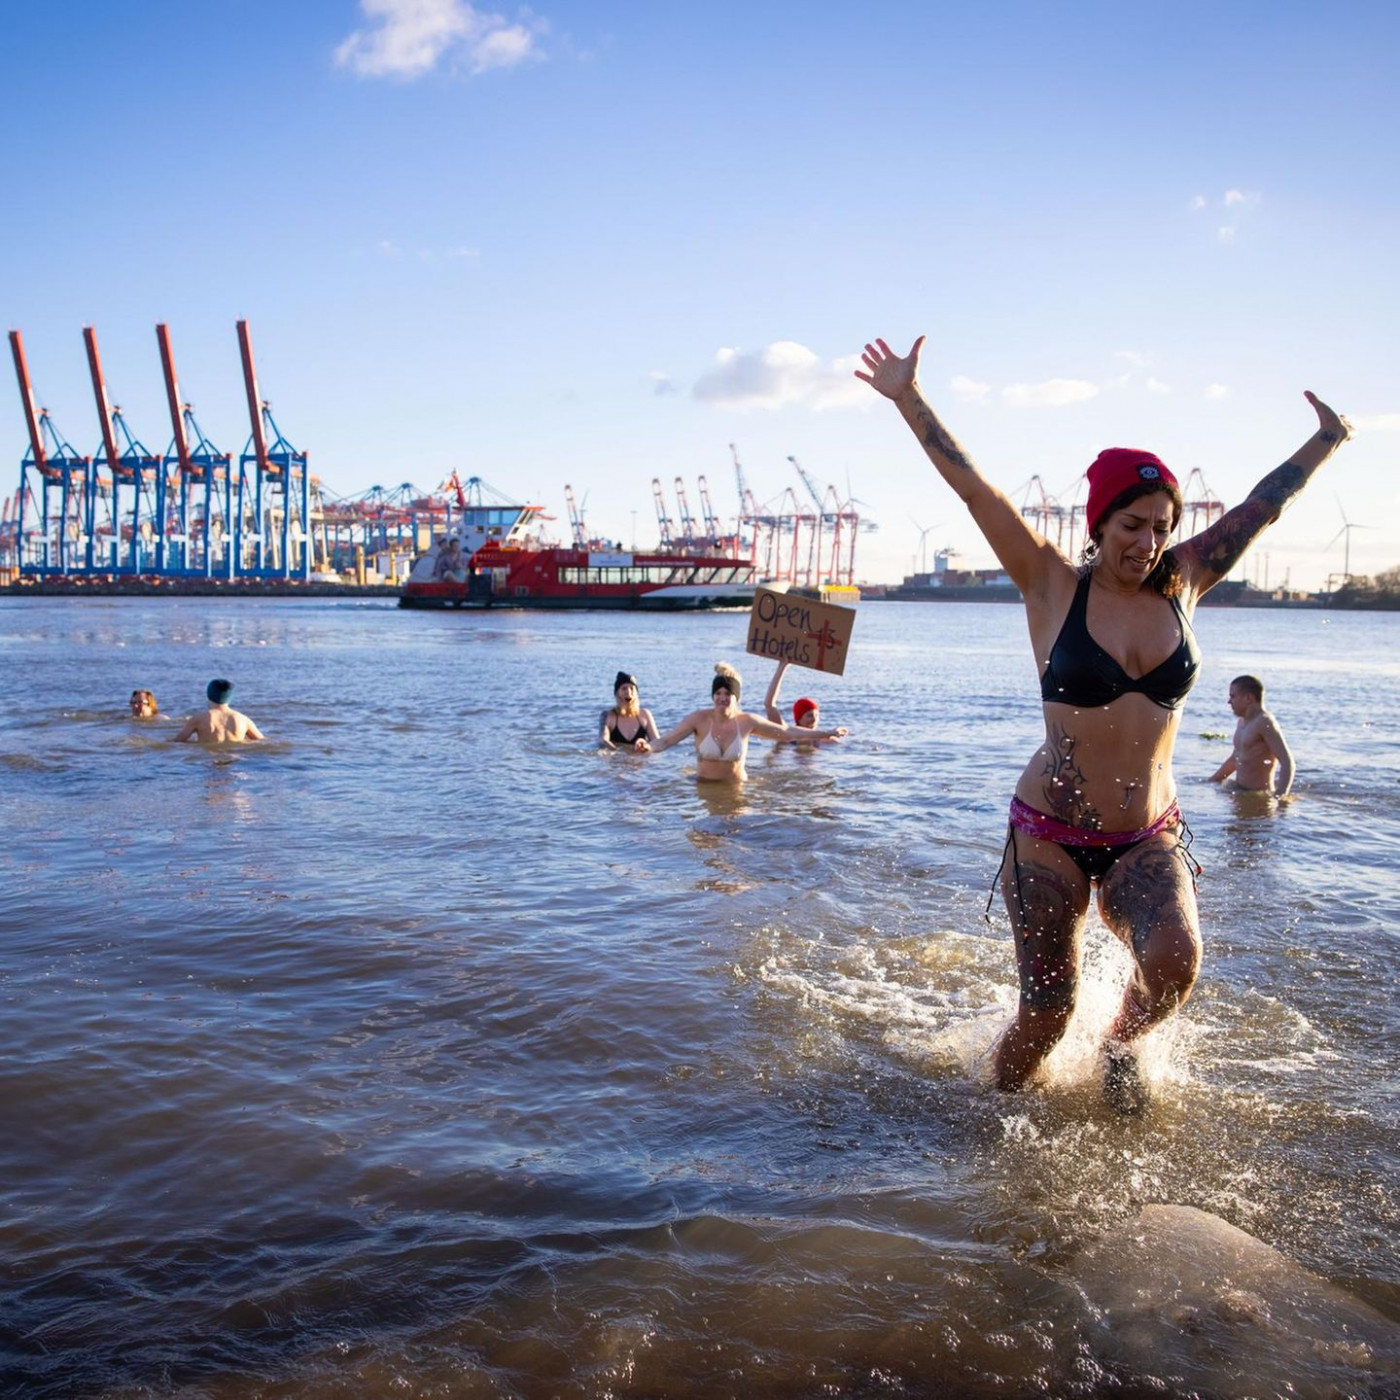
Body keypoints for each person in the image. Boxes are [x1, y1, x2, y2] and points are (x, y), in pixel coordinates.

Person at [857, 334, 1350, 1110]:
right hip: (1049, 831)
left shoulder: (1184, 583)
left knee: (1176, 963)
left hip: (1143, 835)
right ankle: (987, 1122)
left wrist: (1325, 440)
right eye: (1131, 524)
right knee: (1047, 1013)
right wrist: (907, 398)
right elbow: (975, 492)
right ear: (1100, 522)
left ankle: (1120, 1047)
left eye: (1160, 524)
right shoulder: (1051, 583)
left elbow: (1263, 506)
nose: (1147, 542)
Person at [638, 662, 847, 782]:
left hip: (737, 791)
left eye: (727, 693)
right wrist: (648, 747)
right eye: (718, 693)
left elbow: (787, 732)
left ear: (736, 697)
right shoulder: (698, 719)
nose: (722, 697)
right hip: (705, 789)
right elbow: (665, 741)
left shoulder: (747, 722)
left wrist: (826, 733)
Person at [1210, 675, 1294, 797]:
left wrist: (1281, 796)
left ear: (1248, 698)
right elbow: (1236, 757)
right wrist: (1213, 780)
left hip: (1259, 796)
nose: (1229, 701)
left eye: (1233, 696)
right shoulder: (1242, 722)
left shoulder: (1264, 722)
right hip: (1239, 791)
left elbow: (1287, 761)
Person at [173, 679, 265, 744]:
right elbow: (262, 741)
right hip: (236, 760)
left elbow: (178, 741)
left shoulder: (198, 719)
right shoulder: (243, 719)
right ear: (230, 697)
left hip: (209, 759)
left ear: (209, 695)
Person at [763, 660, 833, 742]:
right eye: (809, 715)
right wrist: (782, 667)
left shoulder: (825, 739)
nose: (814, 719)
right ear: (799, 719)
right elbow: (769, 704)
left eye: (817, 715)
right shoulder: (787, 735)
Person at [599, 671, 661, 750]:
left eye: (632, 688)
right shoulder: (608, 715)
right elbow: (603, 741)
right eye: (624, 688)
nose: (628, 692)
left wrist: (645, 745)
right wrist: (618, 753)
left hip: (640, 760)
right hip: (616, 761)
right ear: (617, 693)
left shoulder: (645, 715)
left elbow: (657, 743)